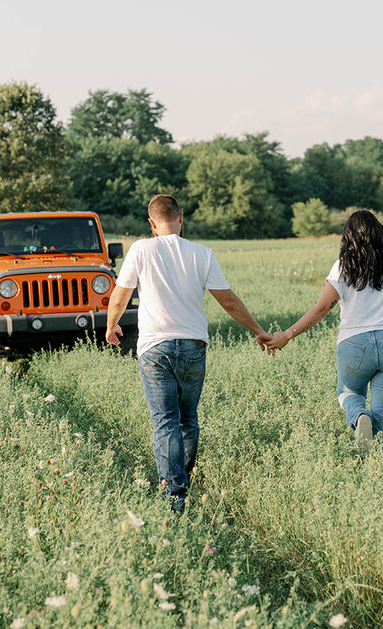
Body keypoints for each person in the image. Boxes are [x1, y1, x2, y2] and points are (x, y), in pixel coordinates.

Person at [106, 194, 271, 512]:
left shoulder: (141, 249)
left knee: (165, 422)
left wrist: (112, 326)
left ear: (152, 224)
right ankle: (183, 479)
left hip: (155, 349)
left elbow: (120, 295)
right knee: (187, 420)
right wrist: (258, 331)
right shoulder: (202, 253)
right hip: (194, 346)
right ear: (181, 218)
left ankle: (174, 495)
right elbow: (230, 301)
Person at [265, 210, 383, 452]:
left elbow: (322, 308)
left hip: (355, 344)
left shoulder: (344, 266)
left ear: (348, 237)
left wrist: (288, 334)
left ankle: (358, 416)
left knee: (348, 393)